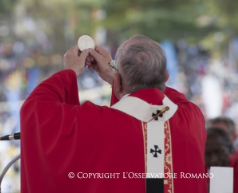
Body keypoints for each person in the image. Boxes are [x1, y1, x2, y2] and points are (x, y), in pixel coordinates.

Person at [20, 35, 207, 193]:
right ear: (166, 77)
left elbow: (36, 111)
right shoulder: (192, 118)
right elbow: (166, 97)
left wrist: (70, 71)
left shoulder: (96, 125)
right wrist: (115, 74)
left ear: (117, 82)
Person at [205, 126, 238, 192]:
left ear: (230, 148)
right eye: (207, 154)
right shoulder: (195, 173)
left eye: (219, 152)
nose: (213, 160)